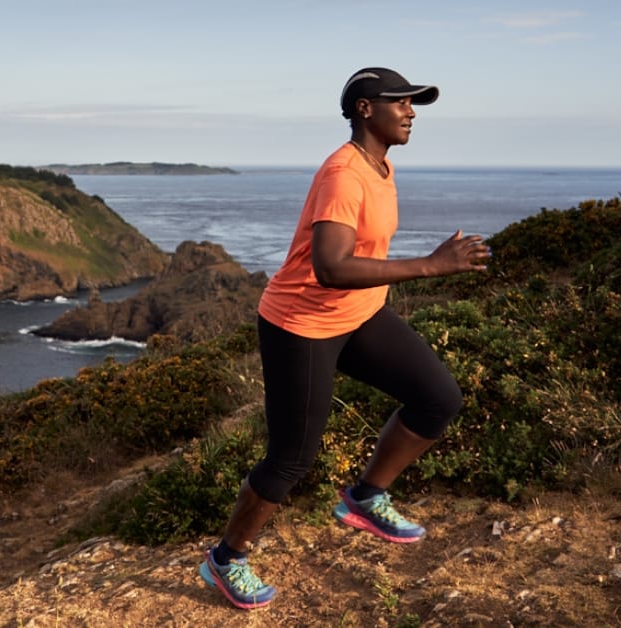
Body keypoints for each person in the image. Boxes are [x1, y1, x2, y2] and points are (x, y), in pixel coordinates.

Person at [198, 67, 492, 610]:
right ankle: (226, 558)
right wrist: (429, 266)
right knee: (291, 459)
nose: (410, 112)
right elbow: (331, 267)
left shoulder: (379, 165)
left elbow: (358, 261)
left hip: (359, 313)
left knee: (438, 398)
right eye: (400, 102)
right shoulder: (343, 174)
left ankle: (365, 497)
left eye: (413, 103)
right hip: (302, 323)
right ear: (364, 108)